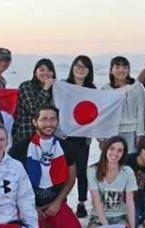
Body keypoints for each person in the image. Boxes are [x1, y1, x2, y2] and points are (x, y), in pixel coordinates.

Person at [8, 104, 80, 227]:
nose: (49, 123)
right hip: (26, 205)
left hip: (55, 204)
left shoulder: (66, 147)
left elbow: (71, 178)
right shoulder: (20, 148)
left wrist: (57, 202)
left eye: (53, 119)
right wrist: (31, 207)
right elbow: (11, 181)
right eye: (44, 119)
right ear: (35, 122)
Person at [63, 55, 96, 218]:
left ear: (89, 71)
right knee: (63, 171)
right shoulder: (63, 86)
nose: (80, 69)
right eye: (78, 65)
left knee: (81, 171)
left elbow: (98, 111)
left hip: (83, 137)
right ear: (72, 67)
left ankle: (81, 202)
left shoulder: (92, 89)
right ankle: (62, 201)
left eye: (84, 67)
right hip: (65, 136)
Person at [87, 136, 137, 227]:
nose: (115, 153)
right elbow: (97, 201)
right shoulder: (92, 170)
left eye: (120, 150)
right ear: (106, 149)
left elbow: (130, 202)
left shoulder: (128, 172)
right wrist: (106, 225)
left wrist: (132, 226)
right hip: (99, 216)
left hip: (120, 216)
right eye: (112, 149)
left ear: (123, 153)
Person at [101, 56, 145, 154]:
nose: (121, 70)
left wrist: (140, 134)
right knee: (113, 161)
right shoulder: (105, 89)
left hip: (132, 131)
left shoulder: (136, 87)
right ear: (111, 70)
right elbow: (102, 115)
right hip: (111, 132)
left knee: (129, 162)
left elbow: (141, 110)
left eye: (125, 67)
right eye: (117, 67)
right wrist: (101, 138)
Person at [12, 58, 56, 144]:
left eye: (50, 70)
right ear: (35, 72)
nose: (46, 73)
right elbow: (33, 109)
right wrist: (45, 88)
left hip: (46, 136)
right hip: (26, 134)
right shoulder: (26, 86)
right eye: (42, 70)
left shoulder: (54, 90)